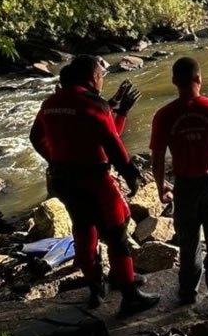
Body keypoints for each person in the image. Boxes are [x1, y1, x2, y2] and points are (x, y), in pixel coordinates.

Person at [29, 54, 160, 317]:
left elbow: (36, 137)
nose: (102, 80)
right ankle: (129, 294)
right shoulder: (92, 103)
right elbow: (110, 141)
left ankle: (95, 287)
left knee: (83, 228)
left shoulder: (51, 103)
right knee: (116, 234)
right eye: (101, 75)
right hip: (94, 180)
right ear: (92, 77)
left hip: (64, 181)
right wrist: (130, 173)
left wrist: (54, 158)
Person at [150, 57, 208, 316]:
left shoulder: (164, 115)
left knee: (189, 241)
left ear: (173, 82)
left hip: (185, 185)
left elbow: (157, 158)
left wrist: (160, 187)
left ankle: (187, 292)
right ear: (199, 79)